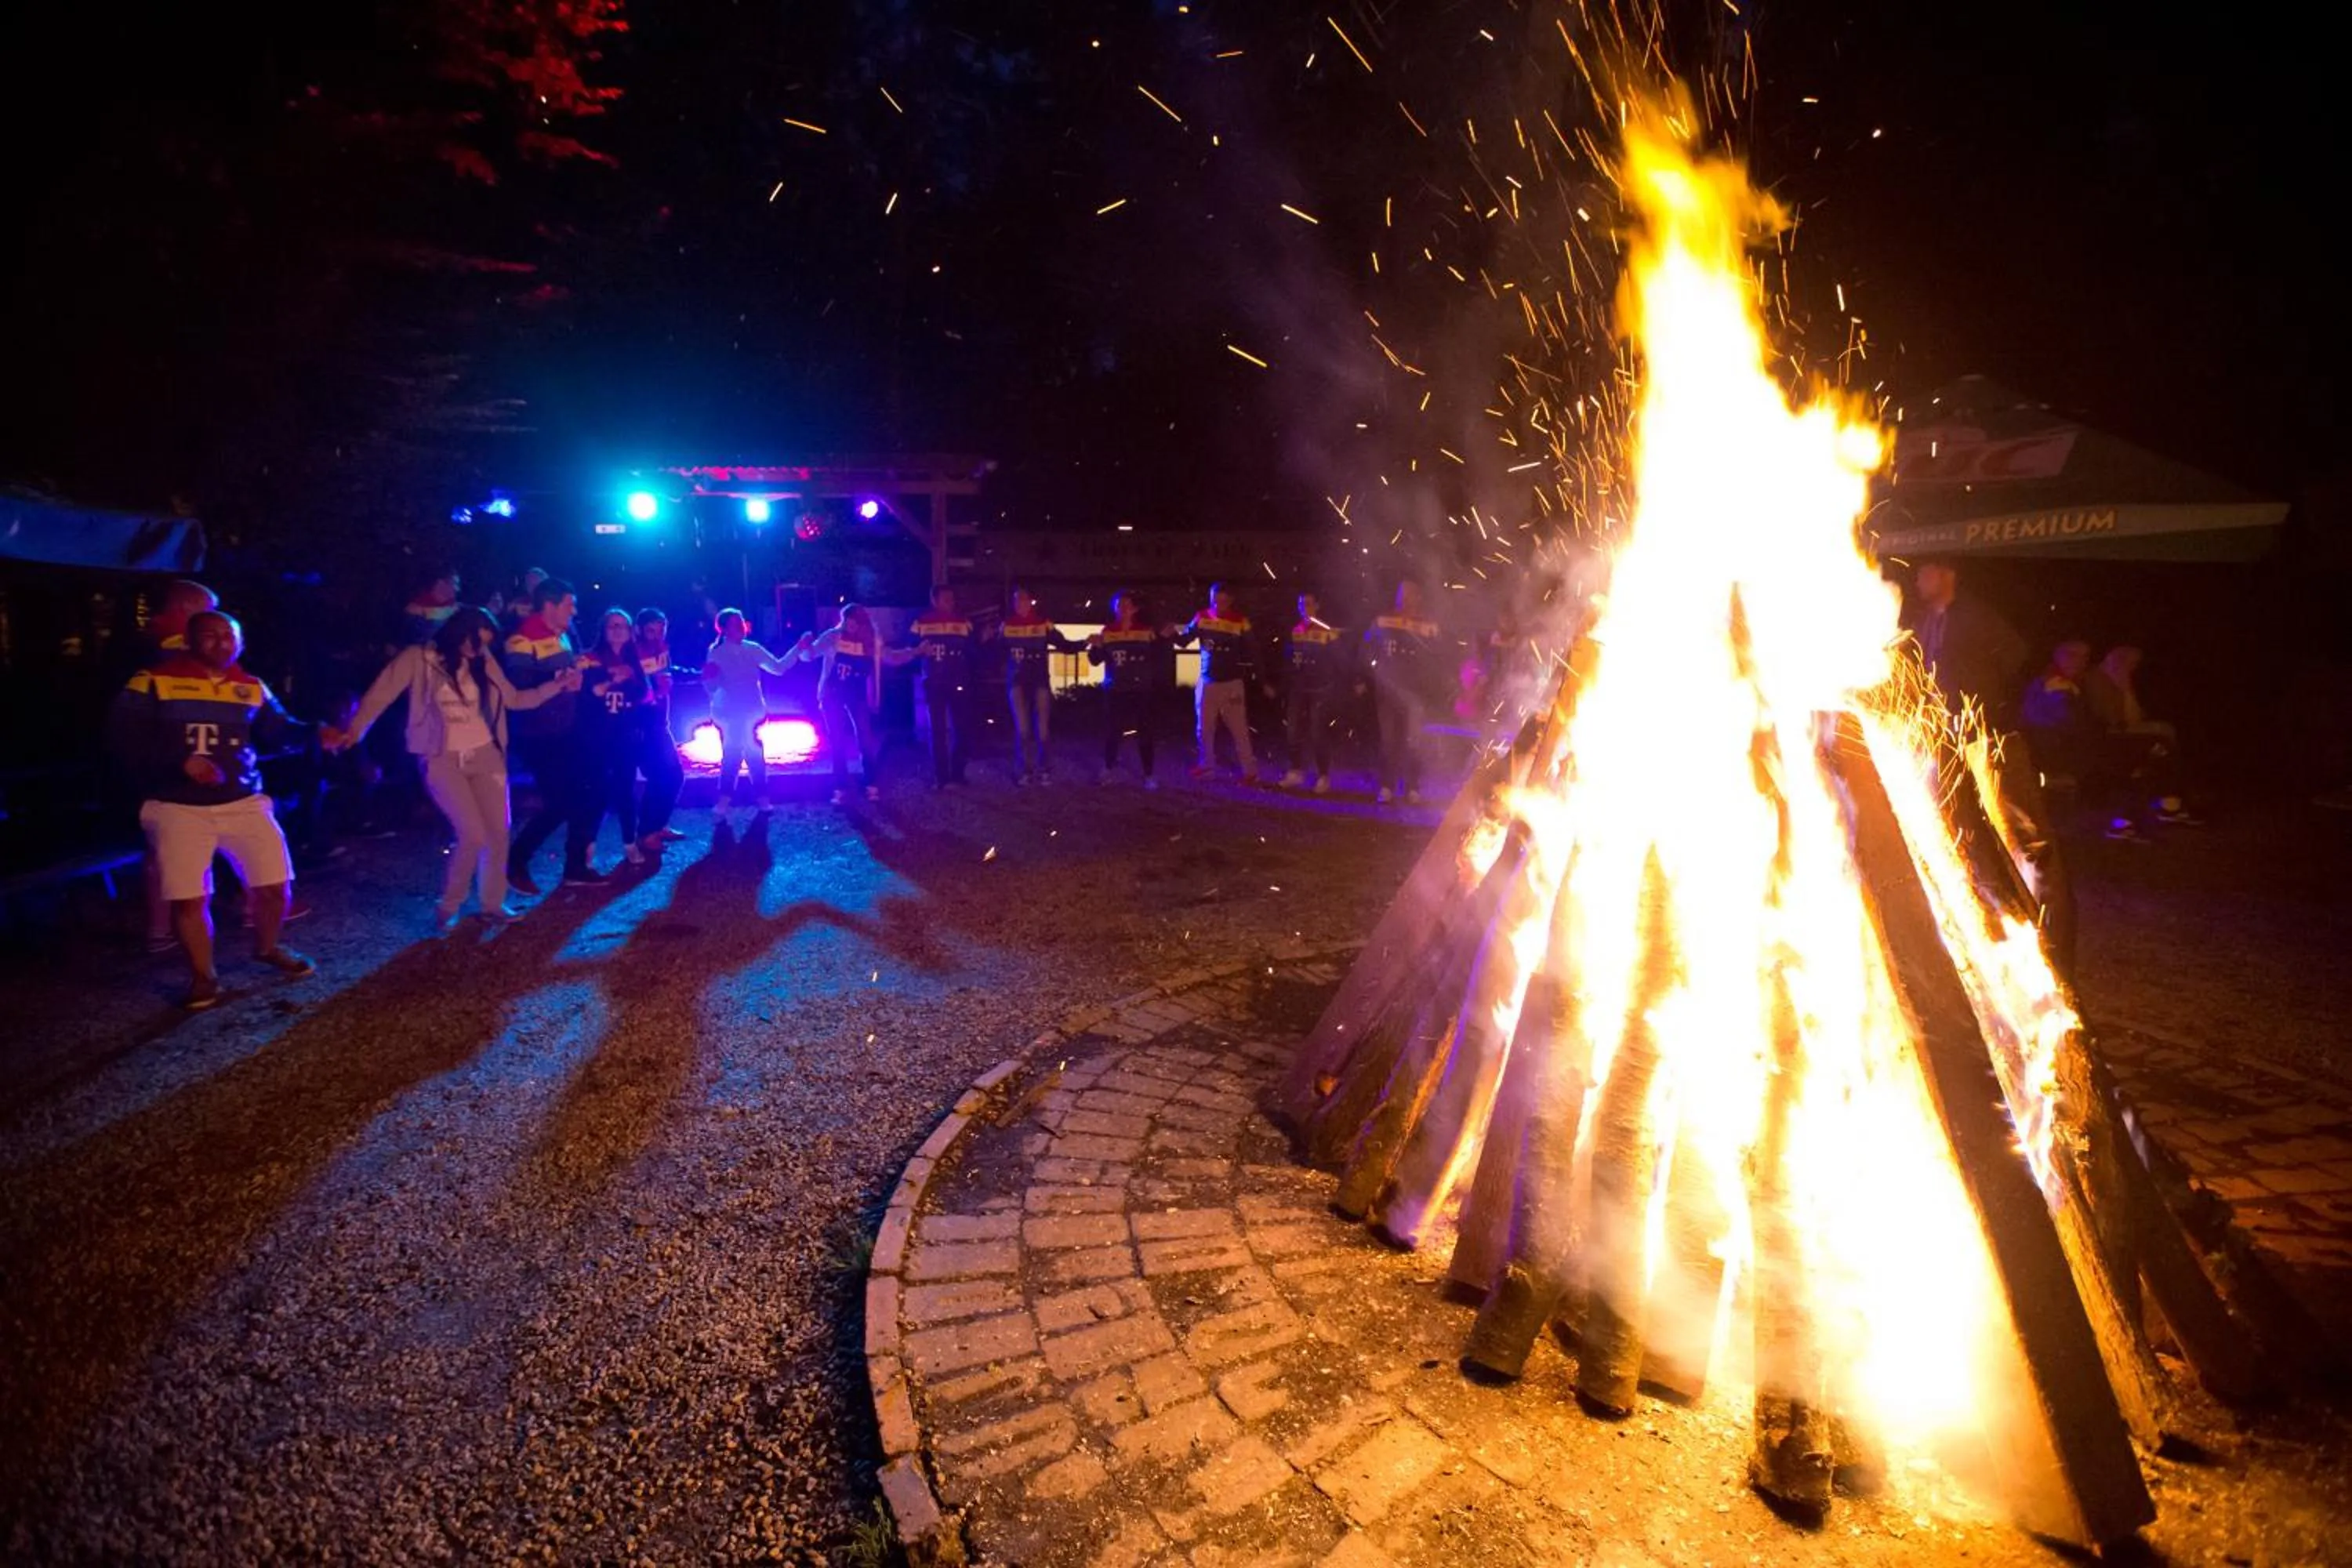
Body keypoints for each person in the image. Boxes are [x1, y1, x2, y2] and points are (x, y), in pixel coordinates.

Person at [107, 610, 317, 1009]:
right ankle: (204, 977)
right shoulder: (153, 680)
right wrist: (178, 762)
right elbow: (120, 737)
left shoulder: (251, 686)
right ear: (190, 641)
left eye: (229, 635)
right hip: (177, 806)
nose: (221, 642)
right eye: (210, 635)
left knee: (275, 886)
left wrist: (316, 731)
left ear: (239, 643)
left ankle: (267, 948)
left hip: (243, 801)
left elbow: (281, 728)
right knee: (191, 897)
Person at [336, 605, 579, 930]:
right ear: (459, 631)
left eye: (485, 644)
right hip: (441, 759)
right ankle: (449, 904)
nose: (479, 650)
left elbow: (516, 699)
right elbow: (381, 693)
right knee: (472, 833)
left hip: (486, 756)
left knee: (498, 832)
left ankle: (493, 904)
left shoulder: (483, 661)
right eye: (475, 641)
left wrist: (557, 685)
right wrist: (355, 730)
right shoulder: (419, 658)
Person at [1903, 557, 2074, 968]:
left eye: (1925, 572)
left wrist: (1988, 699)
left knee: (2025, 837)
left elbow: (2015, 654)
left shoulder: (1976, 615)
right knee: (1958, 832)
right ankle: (1992, 927)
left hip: (1991, 739)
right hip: (1948, 740)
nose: (1918, 579)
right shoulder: (1926, 620)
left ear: (1947, 575)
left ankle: (2053, 940)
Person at [502, 576, 606, 892]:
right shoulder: (521, 640)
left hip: (568, 728)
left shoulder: (561, 636)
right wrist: (561, 677)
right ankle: (516, 859)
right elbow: (518, 684)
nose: (573, 611)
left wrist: (581, 671)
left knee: (595, 791)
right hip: (540, 735)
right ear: (550, 604)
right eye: (568, 605)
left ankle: (576, 866)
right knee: (560, 802)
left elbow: (566, 674)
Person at [136, 579, 222, 951]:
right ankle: (165, 927)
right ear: (186, 609)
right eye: (205, 610)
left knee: (172, 846)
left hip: (181, 762)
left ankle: (167, 927)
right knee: (166, 845)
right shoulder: (154, 651)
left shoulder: (167, 648)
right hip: (161, 767)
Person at [2083, 644, 2201, 831]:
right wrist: (2124, 690)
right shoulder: (2095, 680)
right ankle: (2168, 803)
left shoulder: (2119, 681)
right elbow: (2117, 722)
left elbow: (2135, 717)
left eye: (2134, 664)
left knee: (2165, 738)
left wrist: (2126, 689)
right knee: (2161, 746)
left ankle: (2170, 799)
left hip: (2120, 735)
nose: (2130, 667)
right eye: (2127, 661)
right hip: (2106, 739)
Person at [1171, 583, 1269, 782]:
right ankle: (1206, 766)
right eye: (1215, 598)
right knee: (1204, 728)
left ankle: (1250, 772)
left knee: (1239, 729)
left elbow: (1254, 651)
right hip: (1207, 683)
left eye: (1223, 600)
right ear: (1211, 597)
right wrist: (1171, 634)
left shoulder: (1240, 621)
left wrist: (1263, 680)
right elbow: (1184, 641)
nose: (1219, 603)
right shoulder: (1201, 617)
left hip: (1233, 684)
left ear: (1231, 601)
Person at [581, 608, 658, 864]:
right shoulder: (591, 658)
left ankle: (629, 844)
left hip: (625, 736)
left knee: (626, 791)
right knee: (597, 792)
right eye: (612, 626)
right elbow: (589, 693)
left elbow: (643, 695)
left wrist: (632, 679)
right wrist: (611, 680)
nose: (617, 631)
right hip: (598, 735)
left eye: (622, 626)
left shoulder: (634, 659)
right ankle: (587, 847)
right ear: (603, 630)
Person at [700, 607, 793, 815]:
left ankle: (759, 799)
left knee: (754, 755)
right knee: (732, 755)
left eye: (741, 622)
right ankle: (726, 800)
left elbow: (778, 668)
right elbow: (713, 688)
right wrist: (708, 678)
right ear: (724, 630)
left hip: (752, 712)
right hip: (729, 713)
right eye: (735, 624)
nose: (741, 627)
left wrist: (798, 649)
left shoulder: (753, 649)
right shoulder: (717, 652)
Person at [793, 603, 884, 804]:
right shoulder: (833, 636)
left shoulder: (869, 641)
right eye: (848, 620)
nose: (851, 624)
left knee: (865, 738)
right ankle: (840, 787)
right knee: (837, 740)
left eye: (856, 621)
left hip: (858, 695)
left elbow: (879, 667)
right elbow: (809, 656)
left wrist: (874, 696)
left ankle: (871, 784)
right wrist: (805, 646)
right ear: (844, 619)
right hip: (833, 695)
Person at [1360, 580, 1440, 804]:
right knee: (1389, 741)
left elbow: (1439, 656)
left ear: (1418, 596)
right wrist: (1372, 673)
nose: (1403, 597)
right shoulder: (1383, 619)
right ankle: (1387, 785)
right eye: (1400, 592)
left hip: (1415, 694)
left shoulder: (1428, 624)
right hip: (1387, 692)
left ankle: (1413, 786)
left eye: (1409, 593)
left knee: (1414, 741)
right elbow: (1366, 647)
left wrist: (1432, 684)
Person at [895, 584, 982, 788]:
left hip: (959, 680)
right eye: (945, 599)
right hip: (934, 681)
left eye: (952, 598)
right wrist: (918, 651)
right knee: (938, 730)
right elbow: (909, 647)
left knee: (962, 729)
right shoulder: (922, 622)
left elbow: (973, 649)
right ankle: (941, 777)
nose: (950, 602)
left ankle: (958, 773)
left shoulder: (963, 622)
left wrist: (983, 642)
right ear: (935, 600)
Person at [1087, 591, 1169, 789]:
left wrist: (1163, 639)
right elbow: (1095, 660)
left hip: (1141, 689)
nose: (1123, 608)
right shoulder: (1108, 631)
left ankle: (1149, 774)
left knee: (1145, 732)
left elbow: (1159, 654)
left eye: (1126, 605)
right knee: (1113, 732)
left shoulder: (1146, 631)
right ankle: (1108, 769)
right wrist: (1096, 647)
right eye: (1119, 605)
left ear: (1134, 609)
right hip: (1115, 689)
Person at [998, 586, 1077, 785]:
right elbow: (996, 653)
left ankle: (1044, 769)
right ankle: (1025, 770)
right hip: (1016, 681)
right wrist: (985, 641)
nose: (1020, 604)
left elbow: (1064, 645)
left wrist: (1086, 643)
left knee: (1043, 728)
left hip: (1040, 680)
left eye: (1024, 600)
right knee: (1023, 728)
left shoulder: (1043, 623)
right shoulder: (1007, 626)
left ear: (1031, 602)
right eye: (1017, 600)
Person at [630, 608, 689, 848]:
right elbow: (631, 689)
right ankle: (646, 833)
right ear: (640, 630)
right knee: (660, 777)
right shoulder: (632, 652)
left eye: (661, 629)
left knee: (674, 776)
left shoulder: (662, 648)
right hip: (643, 725)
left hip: (659, 722)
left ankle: (657, 826)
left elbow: (668, 673)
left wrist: (696, 674)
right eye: (650, 630)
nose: (656, 634)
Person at [1280, 592, 1346, 792]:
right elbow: (1288, 659)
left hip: (1321, 689)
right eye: (1301, 604)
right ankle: (1295, 772)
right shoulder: (1295, 630)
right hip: (1299, 689)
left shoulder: (1327, 631)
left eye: (1308, 604)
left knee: (1318, 733)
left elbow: (1341, 660)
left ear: (1318, 605)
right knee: (1292, 731)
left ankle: (1324, 775)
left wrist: (1350, 681)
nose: (1304, 608)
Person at [401, 569, 462, 646]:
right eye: (455, 583)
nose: (458, 589)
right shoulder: (413, 604)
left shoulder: (457, 610)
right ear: (440, 583)